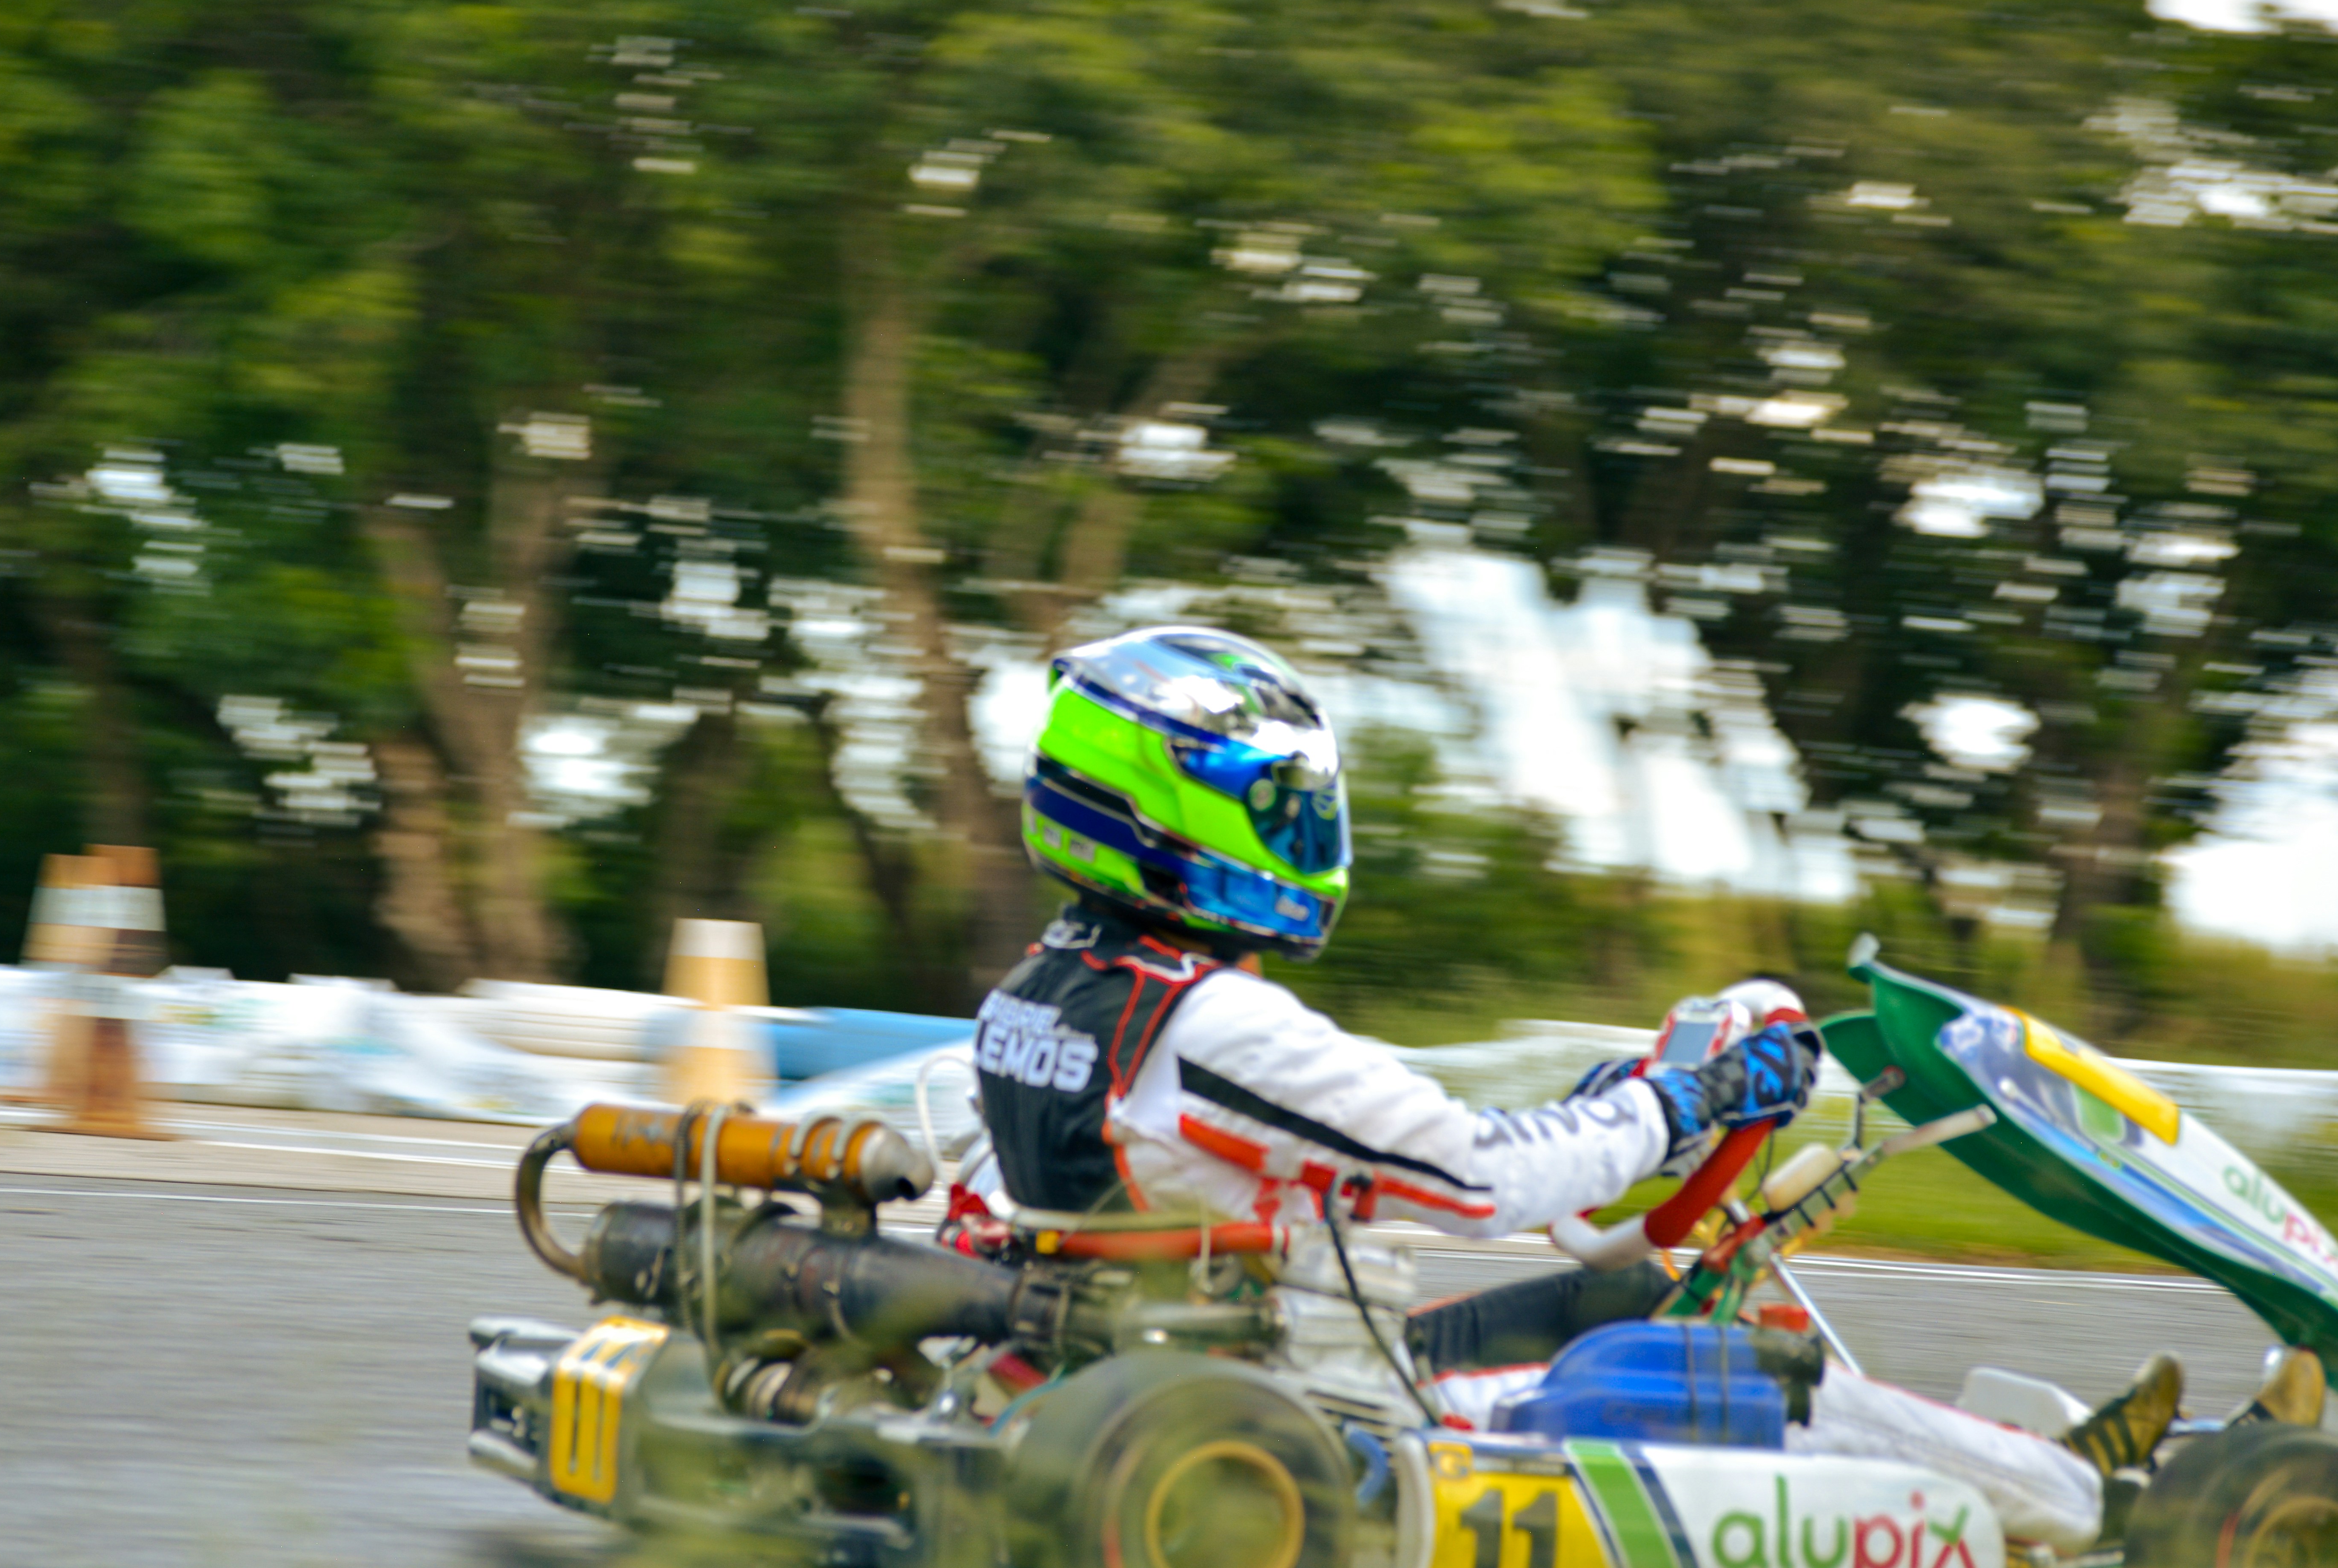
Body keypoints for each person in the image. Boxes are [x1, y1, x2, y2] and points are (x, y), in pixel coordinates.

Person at [954, 624, 2323, 1552]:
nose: (1301, 831)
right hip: (1337, 1434)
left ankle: (2050, 1471)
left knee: (1634, 1292)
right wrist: (1693, 1099)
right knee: (1736, 1376)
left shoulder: (1039, 998)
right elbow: (1474, 1179)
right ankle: (2144, 1517)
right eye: (1273, 803)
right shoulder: (1221, 1025)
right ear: (1167, 813)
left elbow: (1350, 1153)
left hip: (1203, 1367)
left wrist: (1623, 1106)